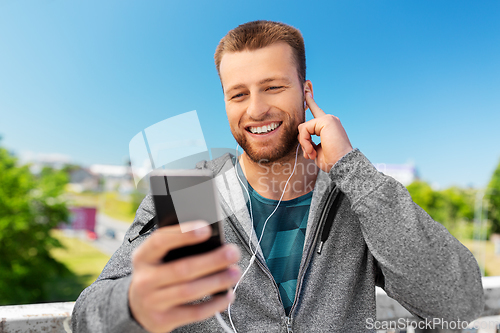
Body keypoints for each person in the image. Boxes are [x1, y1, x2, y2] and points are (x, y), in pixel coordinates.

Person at [72, 20, 484, 333]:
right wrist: (131, 301)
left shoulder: (354, 195)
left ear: (305, 94)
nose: (255, 110)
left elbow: (460, 301)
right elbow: (86, 317)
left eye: (272, 87)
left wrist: (353, 170)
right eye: (238, 94)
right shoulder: (189, 190)